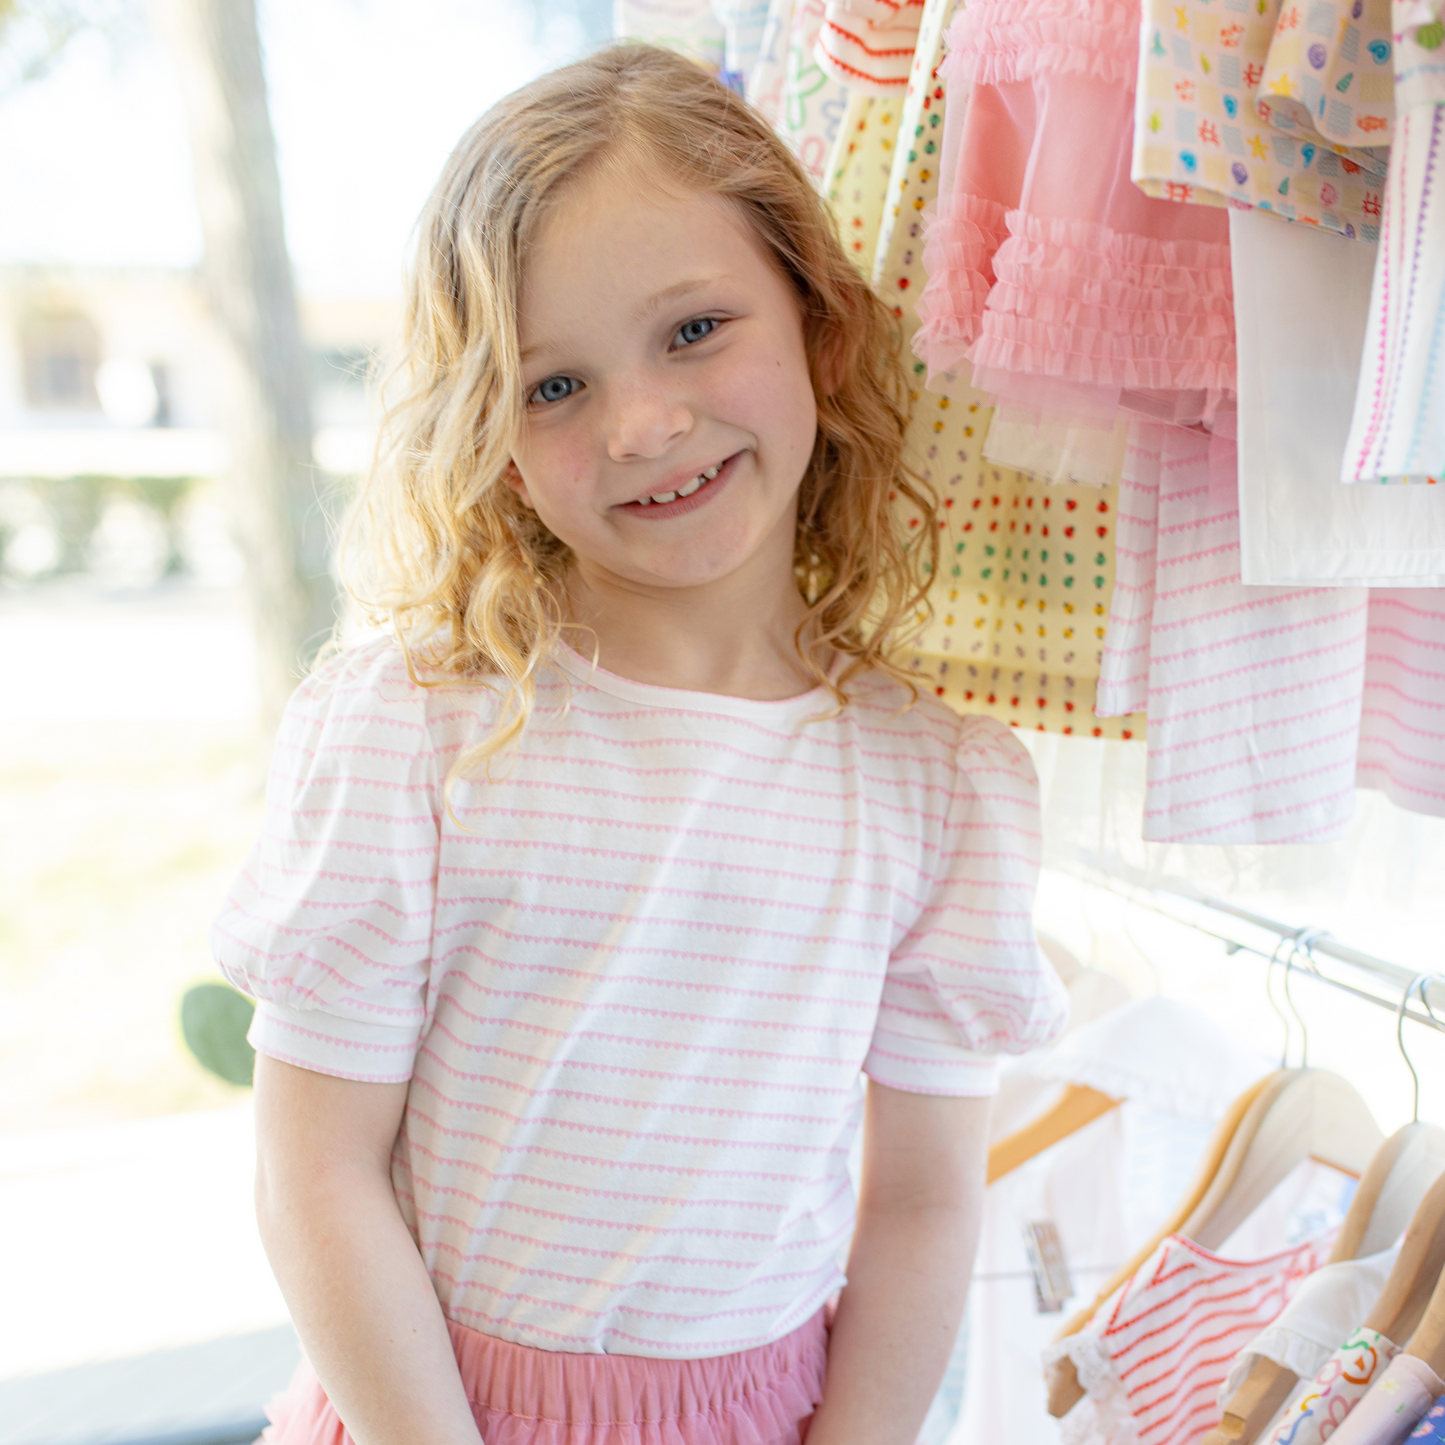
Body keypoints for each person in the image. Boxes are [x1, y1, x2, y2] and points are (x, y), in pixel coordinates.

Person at [213, 42, 1069, 1445]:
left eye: (693, 330)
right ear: (489, 437)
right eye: (553, 387)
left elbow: (921, 1202)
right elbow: (316, 1172)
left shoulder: (937, 785)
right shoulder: (421, 729)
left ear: (819, 326)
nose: (643, 423)